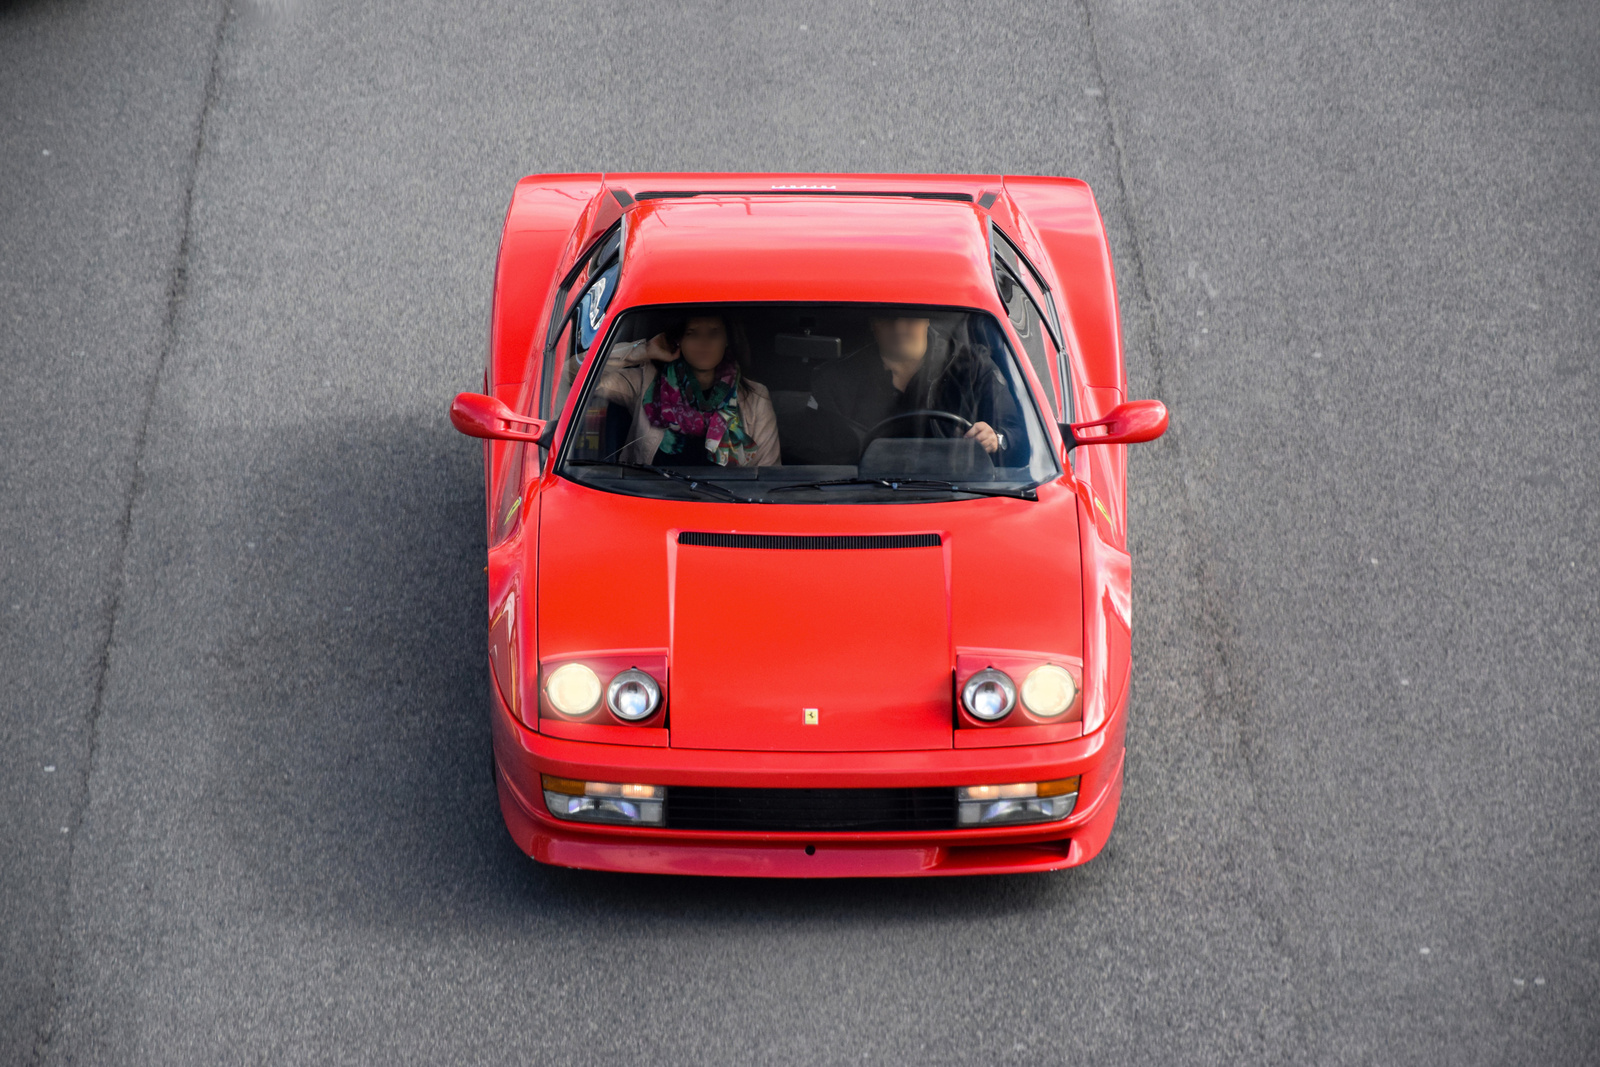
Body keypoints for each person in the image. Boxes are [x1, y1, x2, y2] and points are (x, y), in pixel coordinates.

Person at [807, 315, 1024, 463]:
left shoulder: (973, 368)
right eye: (888, 317)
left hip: (956, 494)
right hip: (860, 499)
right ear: (873, 322)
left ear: (926, 318)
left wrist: (995, 438)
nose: (899, 327)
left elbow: (1020, 437)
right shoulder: (835, 379)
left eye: (910, 315)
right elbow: (815, 455)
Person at [593, 314, 780, 467]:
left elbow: (768, 476)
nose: (703, 343)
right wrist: (645, 350)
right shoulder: (645, 383)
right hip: (652, 503)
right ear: (678, 341)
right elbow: (573, 372)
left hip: (727, 508)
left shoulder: (756, 397)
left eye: (713, 334)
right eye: (693, 334)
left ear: (726, 341)